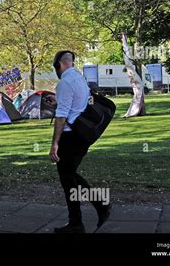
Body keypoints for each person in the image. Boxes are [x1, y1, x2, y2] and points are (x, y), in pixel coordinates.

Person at [49, 50, 111, 233]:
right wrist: (58, 100)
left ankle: (84, 218)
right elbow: (77, 103)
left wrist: (55, 144)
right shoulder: (79, 78)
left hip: (71, 137)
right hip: (82, 135)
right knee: (70, 176)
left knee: (67, 177)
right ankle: (93, 210)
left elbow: (61, 117)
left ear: (59, 64)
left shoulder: (65, 82)